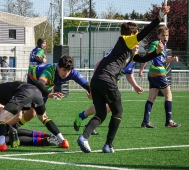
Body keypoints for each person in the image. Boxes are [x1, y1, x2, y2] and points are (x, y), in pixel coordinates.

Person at [77, 6, 170, 154]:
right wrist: (159, 16)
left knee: (101, 114)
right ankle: (108, 145)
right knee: (118, 112)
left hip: (96, 81)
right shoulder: (126, 40)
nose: (139, 38)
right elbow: (144, 33)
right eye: (137, 34)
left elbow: (143, 58)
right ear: (132, 34)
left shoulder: (128, 49)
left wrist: (157, 52)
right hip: (107, 79)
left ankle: (84, 137)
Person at [73, 45, 147, 134]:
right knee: (108, 108)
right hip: (103, 81)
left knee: (107, 108)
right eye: (135, 45)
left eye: (138, 46)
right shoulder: (120, 52)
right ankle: (85, 122)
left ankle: (85, 121)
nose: (136, 48)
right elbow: (99, 64)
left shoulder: (133, 58)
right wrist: (94, 83)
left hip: (112, 84)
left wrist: (135, 86)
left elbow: (128, 73)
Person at [14, 55, 91, 129]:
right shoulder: (50, 70)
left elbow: (87, 85)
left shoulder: (73, 73)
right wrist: (49, 94)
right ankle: (8, 124)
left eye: (68, 71)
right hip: (33, 79)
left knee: (33, 112)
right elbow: (40, 84)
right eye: (64, 70)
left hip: (48, 84)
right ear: (58, 67)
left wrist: (91, 94)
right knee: (28, 109)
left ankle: (13, 127)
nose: (66, 74)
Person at [138, 26, 181, 128]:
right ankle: (169, 121)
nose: (165, 37)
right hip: (159, 73)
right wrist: (141, 69)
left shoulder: (164, 46)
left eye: (167, 35)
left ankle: (145, 122)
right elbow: (148, 56)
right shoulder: (156, 44)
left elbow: (165, 59)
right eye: (163, 35)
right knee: (169, 95)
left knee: (152, 97)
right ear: (158, 36)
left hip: (153, 74)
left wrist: (173, 59)